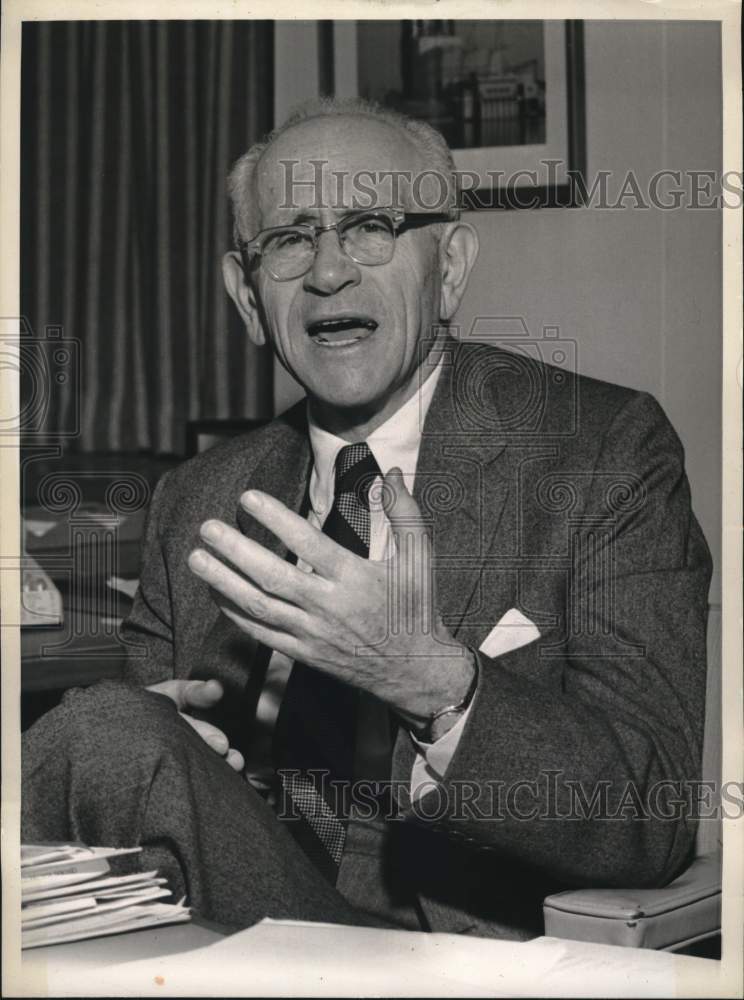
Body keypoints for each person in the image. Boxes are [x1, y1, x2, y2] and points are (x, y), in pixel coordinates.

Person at [22, 97, 712, 939]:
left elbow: (654, 814)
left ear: (450, 266)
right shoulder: (198, 497)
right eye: (289, 239)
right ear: (246, 296)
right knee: (99, 735)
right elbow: (137, 784)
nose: (328, 271)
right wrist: (167, 749)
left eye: (372, 226)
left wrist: (429, 679)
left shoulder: (604, 451)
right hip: (223, 932)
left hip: (452, 958)